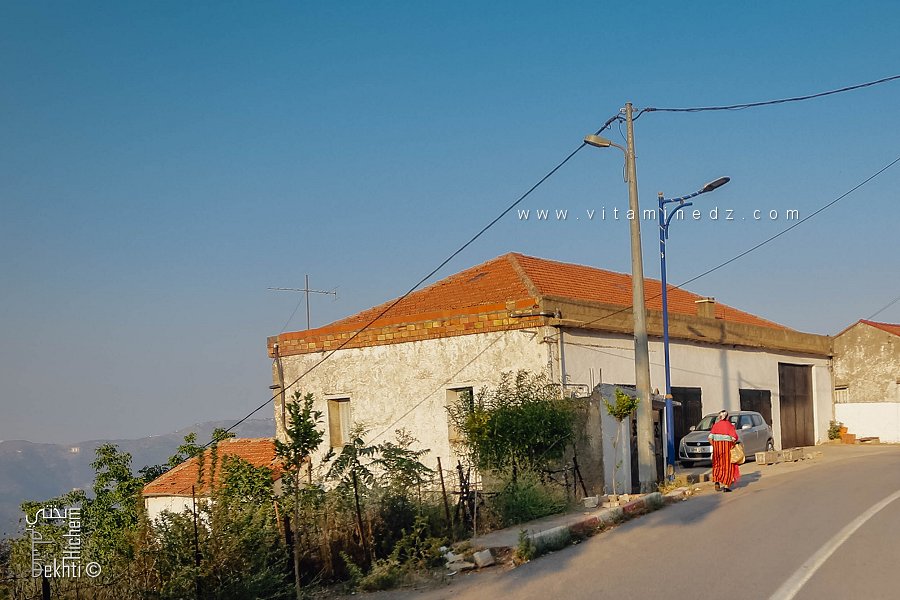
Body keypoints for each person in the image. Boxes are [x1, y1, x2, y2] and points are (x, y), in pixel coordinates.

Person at [708, 410, 740, 492]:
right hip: (727, 449)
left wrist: (715, 445)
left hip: (717, 449)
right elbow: (734, 438)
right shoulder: (729, 425)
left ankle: (717, 482)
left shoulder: (715, 425)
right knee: (727, 466)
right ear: (726, 417)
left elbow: (710, 438)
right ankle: (726, 486)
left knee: (717, 465)